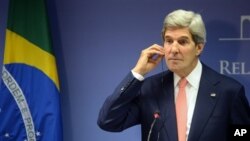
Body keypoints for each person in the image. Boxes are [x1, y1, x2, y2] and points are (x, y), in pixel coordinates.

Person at [97, 9, 250, 141]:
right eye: (169, 41)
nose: (173, 49)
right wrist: (138, 72)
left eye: (182, 42)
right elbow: (108, 121)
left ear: (199, 47)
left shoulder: (229, 91)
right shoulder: (150, 88)